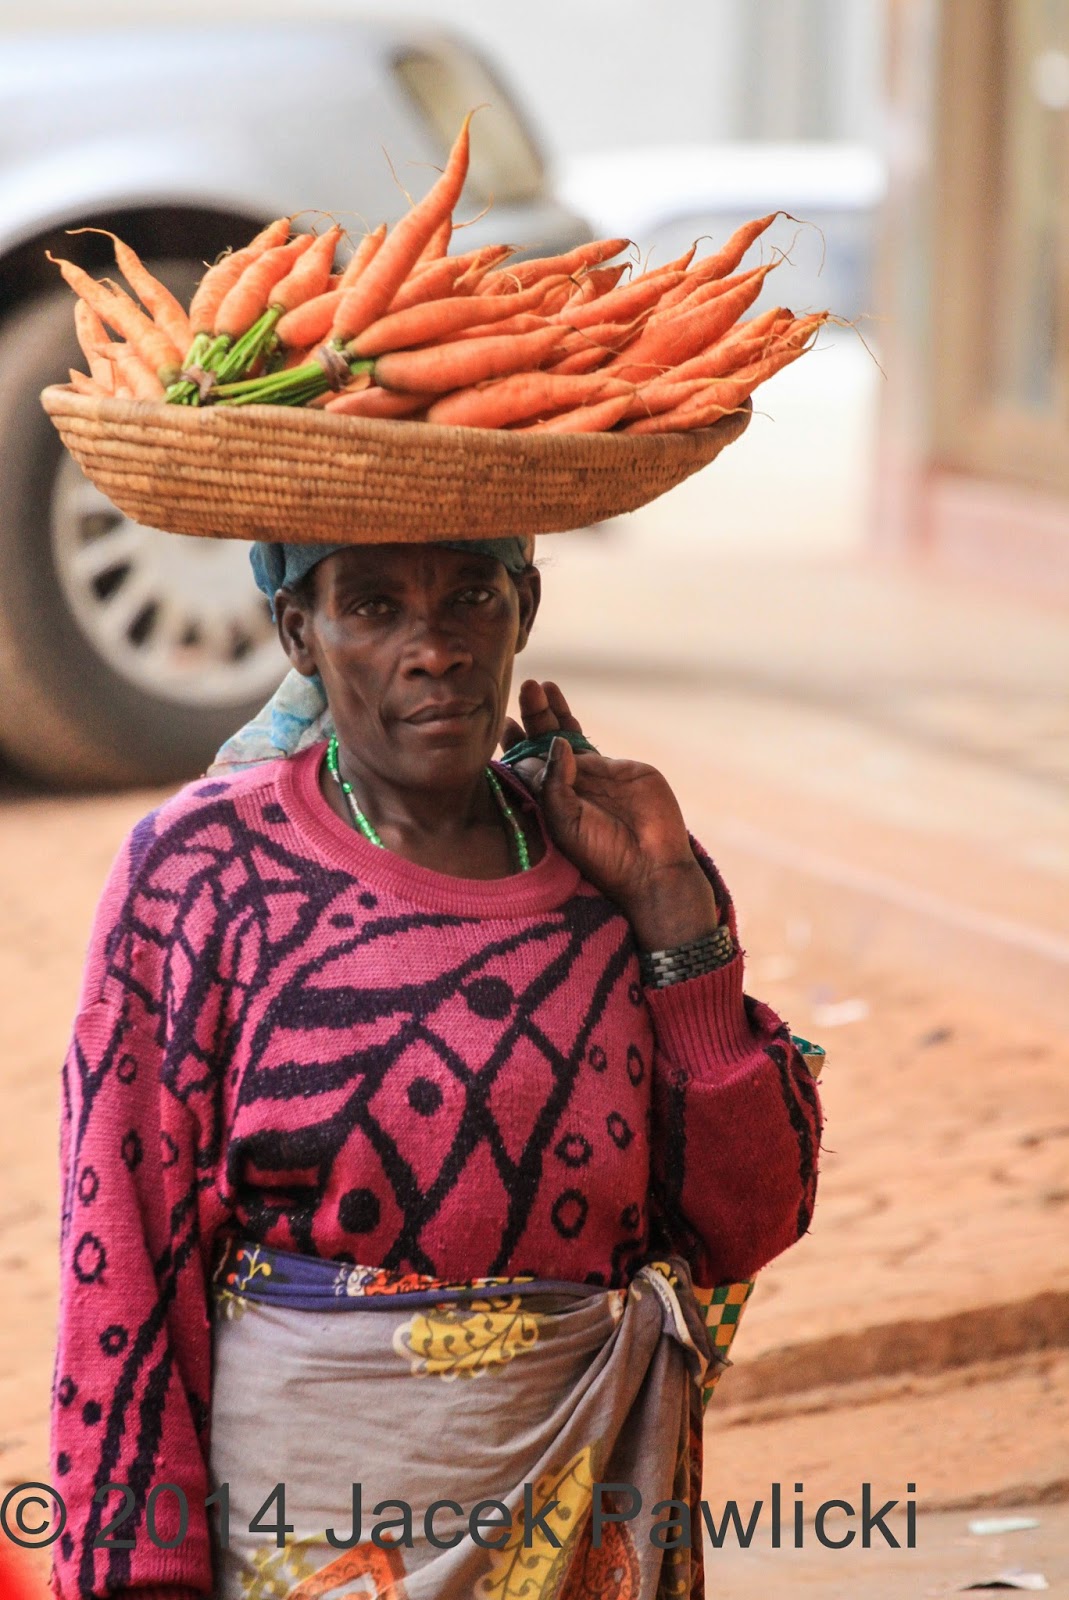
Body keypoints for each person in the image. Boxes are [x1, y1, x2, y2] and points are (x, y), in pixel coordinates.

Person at [50, 531, 823, 1600]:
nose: (434, 650)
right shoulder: (201, 874)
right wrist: (139, 1573)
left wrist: (678, 924)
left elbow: (750, 1220)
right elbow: (123, 1246)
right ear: (297, 635)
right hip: (301, 1544)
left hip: (585, 1520)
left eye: (471, 597)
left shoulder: (617, 872)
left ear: (527, 609)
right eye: (370, 609)